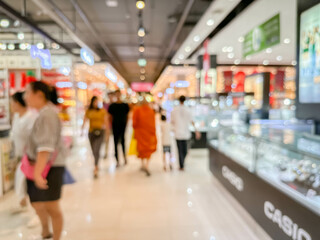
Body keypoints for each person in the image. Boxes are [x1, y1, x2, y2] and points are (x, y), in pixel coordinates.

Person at [24, 81, 66, 240]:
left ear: (39, 95)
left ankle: (55, 236)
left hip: (49, 167)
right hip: (45, 167)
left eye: (28, 92)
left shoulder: (47, 114)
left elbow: (45, 147)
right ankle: (46, 231)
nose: (25, 97)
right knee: (42, 204)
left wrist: (37, 173)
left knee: (52, 206)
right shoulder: (44, 112)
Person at [10, 92, 39, 227]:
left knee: (30, 185)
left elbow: (34, 139)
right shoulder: (16, 116)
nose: (11, 105)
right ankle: (22, 203)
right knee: (20, 181)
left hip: (30, 157)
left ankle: (38, 214)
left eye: (13, 102)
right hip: (21, 156)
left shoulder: (30, 117)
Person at [171, 96, 200, 171]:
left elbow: (172, 122)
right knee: (185, 150)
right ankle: (182, 163)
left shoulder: (175, 110)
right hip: (185, 133)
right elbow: (192, 121)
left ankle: (182, 163)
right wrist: (196, 130)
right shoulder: (188, 110)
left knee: (180, 150)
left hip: (178, 133)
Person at [82, 96, 107, 178]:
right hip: (91, 132)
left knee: (97, 149)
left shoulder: (102, 111)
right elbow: (85, 120)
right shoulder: (89, 111)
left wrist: (107, 132)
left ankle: (96, 166)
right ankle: (96, 164)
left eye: (97, 102)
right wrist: (82, 130)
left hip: (100, 132)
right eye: (94, 102)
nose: (96, 103)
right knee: (93, 150)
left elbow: (106, 121)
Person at [132, 98, 157, 176]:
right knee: (148, 149)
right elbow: (153, 123)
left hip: (140, 133)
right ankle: (146, 164)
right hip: (149, 134)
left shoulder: (137, 110)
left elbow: (134, 123)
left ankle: (143, 164)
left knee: (141, 149)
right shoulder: (151, 111)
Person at [108, 90, 130, 167]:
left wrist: (125, 124)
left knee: (123, 142)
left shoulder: (125, 105)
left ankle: (124, 157)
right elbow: (110, 117)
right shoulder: (112, 106)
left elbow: (127, 116)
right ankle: (117, 160)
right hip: (115, 126)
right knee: (115, 143)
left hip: (122, 126)